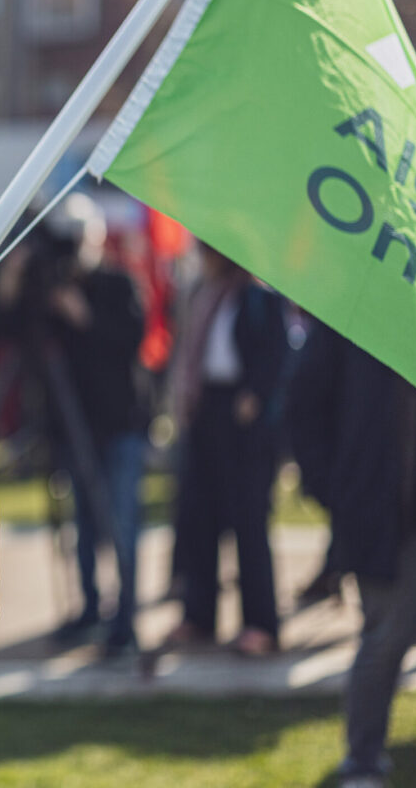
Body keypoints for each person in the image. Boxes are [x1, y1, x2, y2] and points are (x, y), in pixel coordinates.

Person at [289, 322, 416, 788]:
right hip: (388, 522)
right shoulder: (356, 316)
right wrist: (338, 492)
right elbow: (302, 407)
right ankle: (363, 761)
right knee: (384, 640)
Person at [0, 193, 146, 656]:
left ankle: (125, 618)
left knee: (120, 522)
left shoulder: (118, 284)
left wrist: (83, 316)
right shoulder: (47, 292)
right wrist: (15, 279)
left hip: (119, 425)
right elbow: (9, 330)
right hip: (71, 427)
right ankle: (88, 608)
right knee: (81, 522)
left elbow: (131, 340)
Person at [165, 245, 288, 656]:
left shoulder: (258, 297)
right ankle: (199, 615)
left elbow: (277, 355)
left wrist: (255, 393)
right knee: (200, 516)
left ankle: (260, 624)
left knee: (249, 523)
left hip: (245, 420)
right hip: (207, 412)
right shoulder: (203, 293)